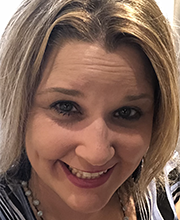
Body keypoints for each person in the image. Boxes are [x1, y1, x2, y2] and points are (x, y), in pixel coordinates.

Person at [0, 0, 179, 219]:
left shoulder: (161, 183)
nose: (97, 154)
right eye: (65, 107)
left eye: (127, 112)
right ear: (19, 106)